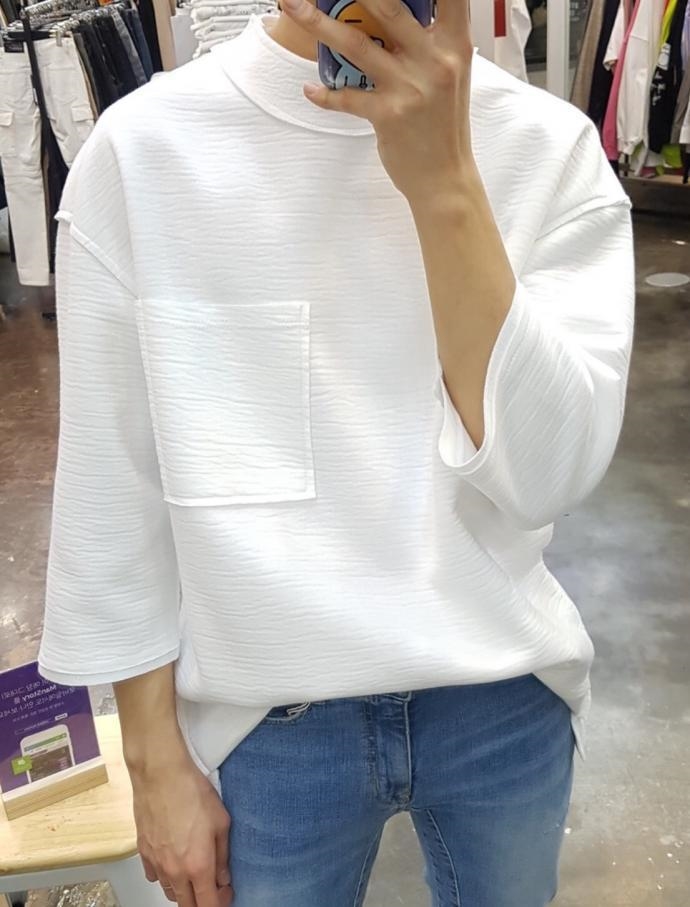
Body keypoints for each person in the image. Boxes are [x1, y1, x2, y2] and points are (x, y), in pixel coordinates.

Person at [38, 1, 635, 905]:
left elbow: (551, 472)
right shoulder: (146, 153)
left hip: (500, 689)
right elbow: (114, 486)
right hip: (268, 718)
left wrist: (444, 183)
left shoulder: (547, 148)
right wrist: (152, 758)